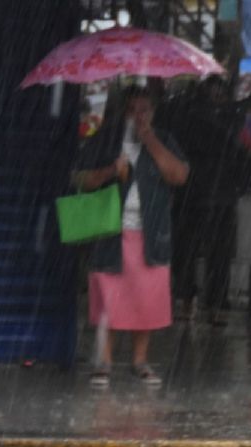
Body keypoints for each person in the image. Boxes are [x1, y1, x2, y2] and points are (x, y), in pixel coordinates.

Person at [74, 85, 189, 387]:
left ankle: (140, 361)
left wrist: (148, 137)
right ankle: (104, 362)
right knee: (108, 300)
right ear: (122, 111)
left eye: (145, 110)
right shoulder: (106, 139)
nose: (139, 116)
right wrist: (112, 170)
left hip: (150, 234)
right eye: (133, 110)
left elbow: (178, 175)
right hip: (111, 232)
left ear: (153, 112)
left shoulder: (163, 139)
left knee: (146, 300)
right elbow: (81, 179)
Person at [168, 76, 250, 325]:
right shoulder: (233, 118)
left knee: (186, 252)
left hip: (191, 194)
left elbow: (177, 151)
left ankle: (186, 302)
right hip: (220, 195)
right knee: (218, 255)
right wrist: (238, 186)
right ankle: (215, 306)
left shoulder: (184, 115)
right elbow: (243, 155)